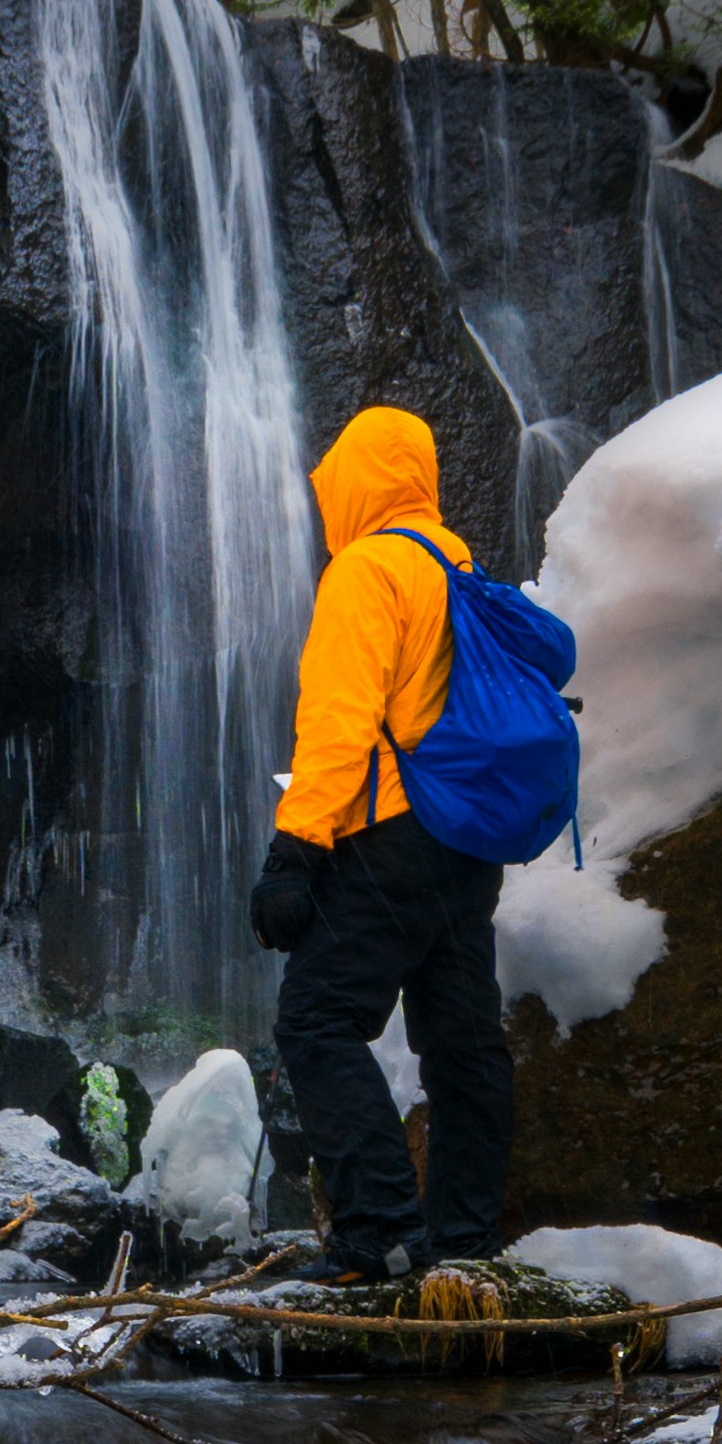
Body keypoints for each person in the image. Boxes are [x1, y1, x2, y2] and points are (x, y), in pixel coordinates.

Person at [247, 404, 516, 1284]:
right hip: (470, 842)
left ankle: (378, 1231)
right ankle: (464, 1241)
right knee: (461, 1040)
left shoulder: (367, 571)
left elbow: (338, 726)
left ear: (353, 483)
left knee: (315, 1019)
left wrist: (294, 855)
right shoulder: (458, 562)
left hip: (392, 839)